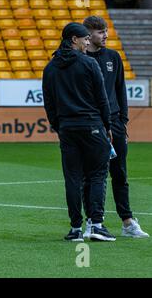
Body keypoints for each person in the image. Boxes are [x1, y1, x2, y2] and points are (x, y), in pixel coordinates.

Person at [42, 22, 115, 242]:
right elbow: (102, 99)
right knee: (97, 175)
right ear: (74, 39)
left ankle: (75, 229)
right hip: (92, 125)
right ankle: (96, 224)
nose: (86, 43)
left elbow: (49, 104)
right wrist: (107, 126)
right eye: (84, 39)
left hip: (67, 128)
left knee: (72, 178)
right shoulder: (89, 64)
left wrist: (58, 125)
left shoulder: (51, 68)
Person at [82, 16, 149, 238]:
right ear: (88, 34)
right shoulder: (79, 59)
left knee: (119, 173)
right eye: (100, 32)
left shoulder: (113, 57)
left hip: (115, 124)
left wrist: (123, 121)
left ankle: (127, 221)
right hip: (91, 124)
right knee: (91, 175)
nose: (105, 35)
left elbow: (121, 90)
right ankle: (93, 221)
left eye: (106, 31)